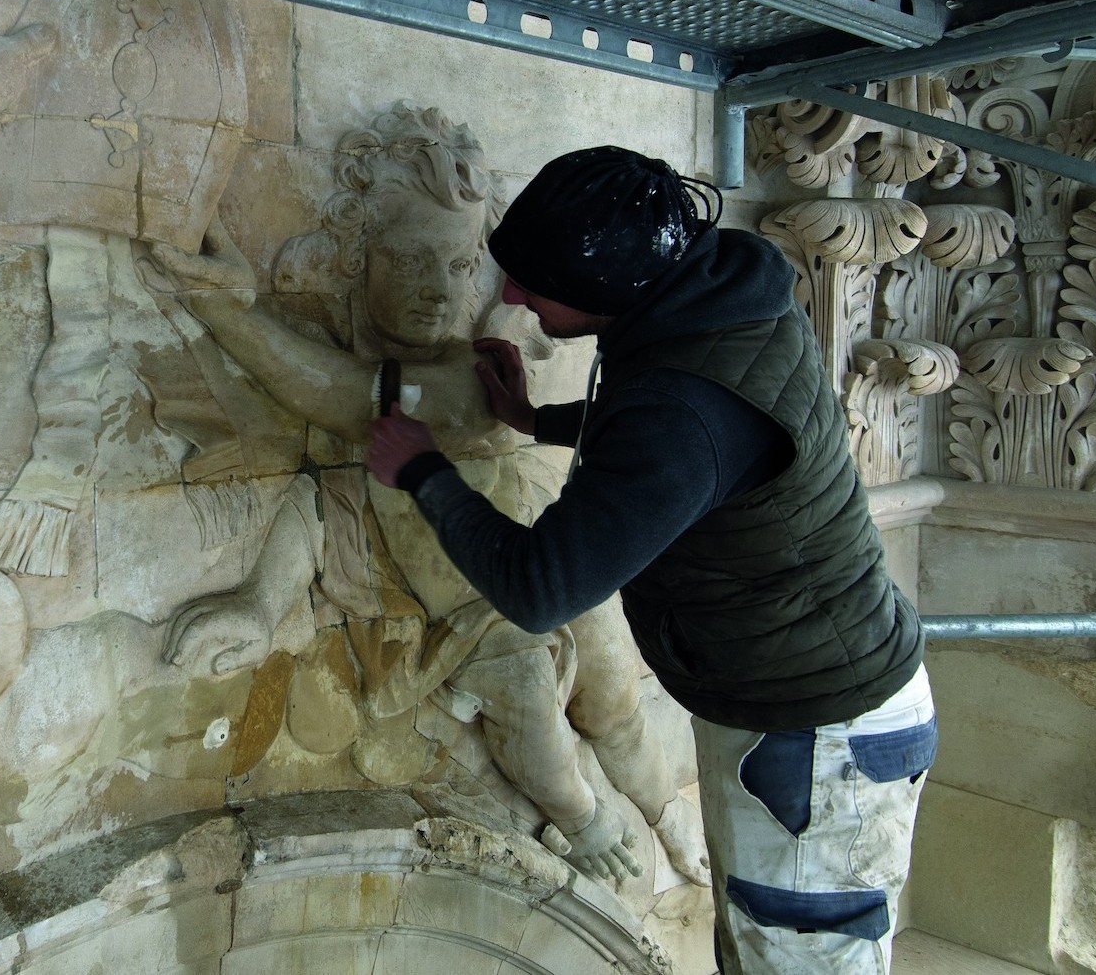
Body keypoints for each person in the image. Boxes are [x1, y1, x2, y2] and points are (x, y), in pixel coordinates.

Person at [365, 145, 934, 975]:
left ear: (608, 288)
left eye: (533, 281)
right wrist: (533, 420)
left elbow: (540, 586)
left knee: (796, 958)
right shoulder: (717, 300)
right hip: (810, 706)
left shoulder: (685, 405)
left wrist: (421, 469)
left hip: (818, 743)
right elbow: (677, 444)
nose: (511, 298)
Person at [150, 105, 707, 885]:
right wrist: (257, 603)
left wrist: (225, 311)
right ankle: (585, 817)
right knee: (532, 720)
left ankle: (668, 811)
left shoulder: (462, 375)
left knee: (616, 701)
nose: (437, 290)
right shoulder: (460, 380)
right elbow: (315, 513)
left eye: (454, 266)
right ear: (356, 258)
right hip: (479, 613)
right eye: (409, 261)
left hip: (543, 558)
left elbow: (337, 392)